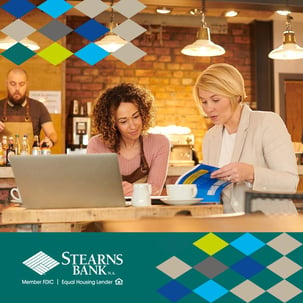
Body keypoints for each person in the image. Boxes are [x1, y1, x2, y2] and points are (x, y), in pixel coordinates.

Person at [193, 63, 299, 214]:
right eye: (204, 101)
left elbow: (290, 183)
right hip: (230, 228)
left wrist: (251, 173)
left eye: (215, 100)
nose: (209, 108)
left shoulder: (267, 122)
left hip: (272, 228)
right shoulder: (211, 137)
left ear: (236, 95)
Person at [87, 82, 170, 196]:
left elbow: (155, 190)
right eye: (123, 121)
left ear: (144, 114)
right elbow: (94, 190)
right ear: (112, 124)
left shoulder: (160, 143)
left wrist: (132, 190)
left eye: (136, 117)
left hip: (144, 212)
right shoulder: (96, 144)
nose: (133, 125)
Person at [0, 68, 57, 148]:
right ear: (6, 84)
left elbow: (52, 133)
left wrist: (50, 140)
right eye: (13, 84)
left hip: (31, 159)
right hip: (3, 159)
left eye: (21, 84)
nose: (17, 88)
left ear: (27, 84)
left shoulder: (39, 107)